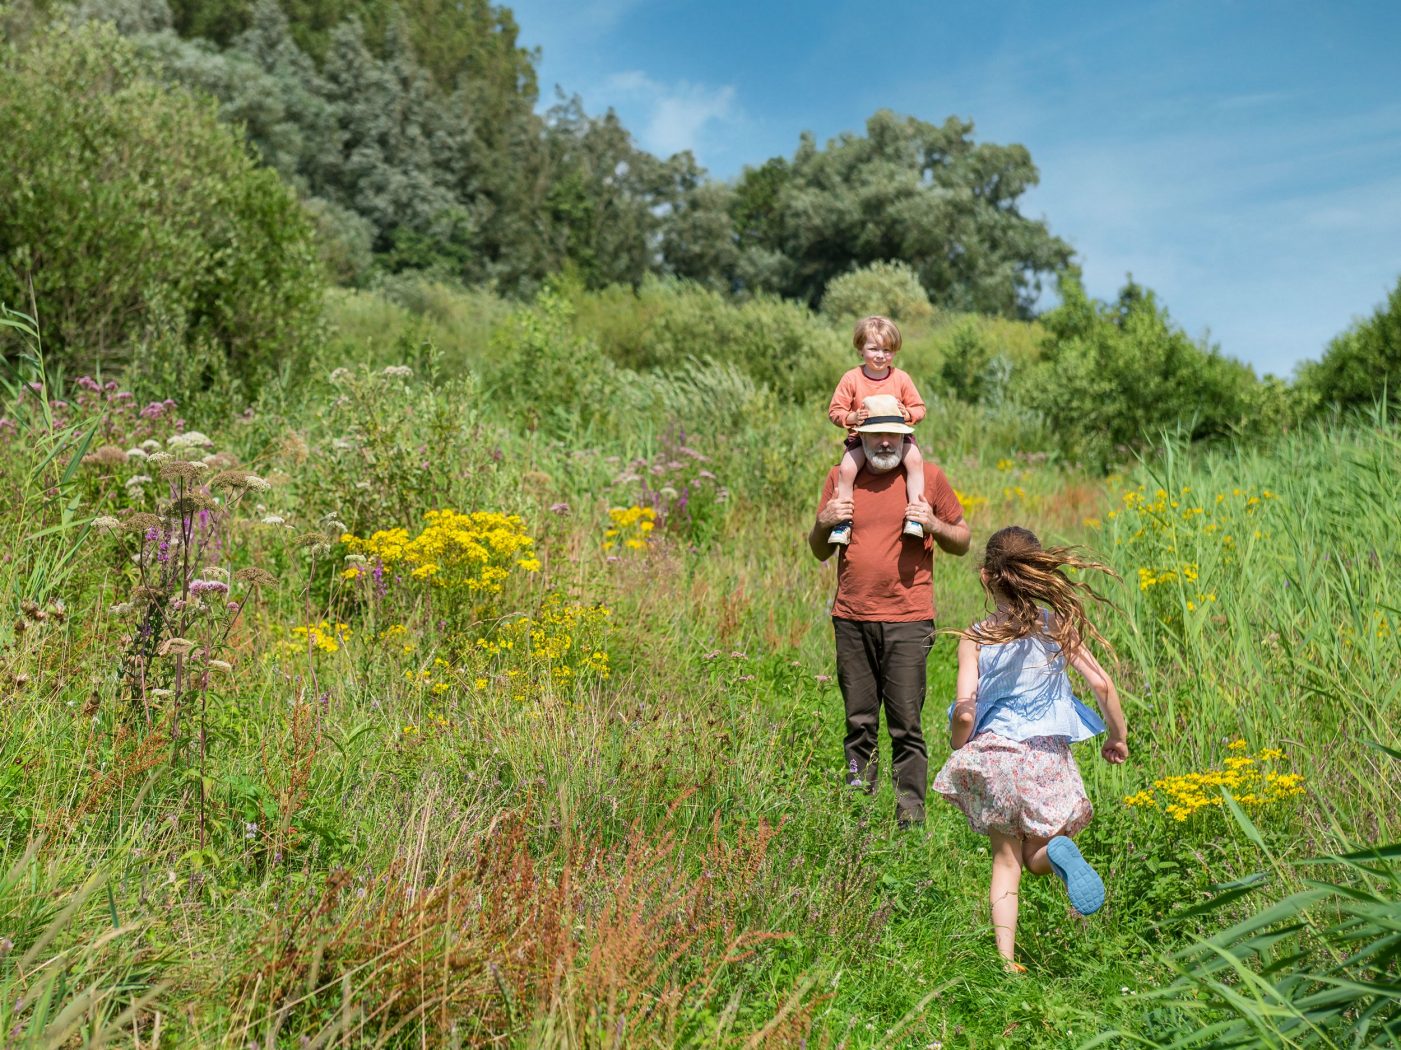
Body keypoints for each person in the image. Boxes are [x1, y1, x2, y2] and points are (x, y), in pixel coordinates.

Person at [932, 525, 1129, 973]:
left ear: (986, 577)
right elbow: (1102, 684)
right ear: (1037, 576)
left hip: (996, 757)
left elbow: (965, 711)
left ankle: (1006, 963)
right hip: (1044, 758)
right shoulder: (1055, 625)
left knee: (1006, 861)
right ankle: (1057, 851)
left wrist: (959, 745)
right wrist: (1117, 736)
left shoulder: (975, 636)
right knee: (1038, 855)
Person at [808, 409, 970, 828]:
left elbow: (963, 539)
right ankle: (857, 818)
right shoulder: (840, 478)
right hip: (852, 617)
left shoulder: (928, 478)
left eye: (893, 435)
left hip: (908, 619)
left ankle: (909, 820)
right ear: (860, 436)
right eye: (876, 434)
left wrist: (933, 522)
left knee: (906, 725)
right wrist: (822, 524)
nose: (885, 442)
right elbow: (820, 550)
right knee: (858, 722)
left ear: (906, 437)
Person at [826, 316, 927, 545]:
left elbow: (920, 408)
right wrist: (852, 417)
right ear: (861, 349)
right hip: (862, 437)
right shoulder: (851, 378)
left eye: (887, 350)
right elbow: (835, 411)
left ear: (894, 352)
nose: (881, 355)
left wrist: (907, 413)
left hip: (898, 437)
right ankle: (843, 522)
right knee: (847, 469)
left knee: (915, 461)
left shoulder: (901, 378)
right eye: (874, 349)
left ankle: (915, 515)